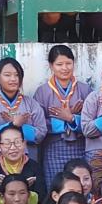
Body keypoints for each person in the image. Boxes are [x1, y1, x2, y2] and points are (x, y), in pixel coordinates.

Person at [34, 45, 89, 189]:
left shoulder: (84, 89)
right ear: (51, 66)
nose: (64, 68)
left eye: (68, 63)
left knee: (80, 187)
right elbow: (38, 122)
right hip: (54, 148)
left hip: (80, 146)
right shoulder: (42, 92)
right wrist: (64, 120)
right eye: (59, 64)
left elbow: (90, 119)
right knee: (56, 188)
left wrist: (72, 119)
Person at [0, 57, 46, 162]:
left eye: (17, 75)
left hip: (28, 159)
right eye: (7, 75)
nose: (13, 79)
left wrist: (20, 126)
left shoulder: (31, 104)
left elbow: (41, 132)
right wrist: (13, 125)